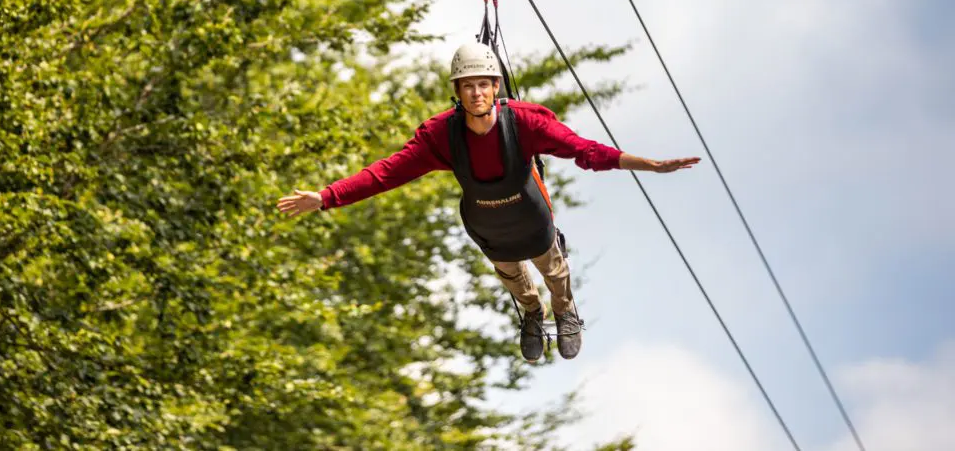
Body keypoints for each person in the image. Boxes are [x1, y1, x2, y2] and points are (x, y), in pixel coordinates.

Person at [277, 42, 700, 362]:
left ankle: (565, 312)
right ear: (457, 92)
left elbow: (585, 151)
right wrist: (326, 197)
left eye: (483, 84)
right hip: (488, 226)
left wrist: (648, 165)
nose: (476, 93)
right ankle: (532, 314)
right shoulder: (442, 136)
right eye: (468, 86)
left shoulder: (527, 122)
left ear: (496, 87)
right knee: (514, 280)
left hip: (531, 217)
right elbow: (387, 173)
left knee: (553, 270)